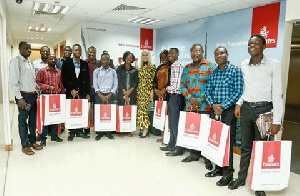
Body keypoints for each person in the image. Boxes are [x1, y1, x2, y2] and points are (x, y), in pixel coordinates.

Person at [228, 34, 283, 196]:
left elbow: (277, 93)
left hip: (264, 110)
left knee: (261, 149)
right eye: (250, 44)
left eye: (256, 43)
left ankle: (259, 184)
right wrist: (239, 102)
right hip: (247, 110)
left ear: (264, 46)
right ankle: (241, 177)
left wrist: (277, 120)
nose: (252, 46)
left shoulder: (274, 65)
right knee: (245, 147)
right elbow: (247, 89)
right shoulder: (244, 64)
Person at [205, 46, 244, 186]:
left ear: (227, 54)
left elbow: (238, 92)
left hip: (227, 111)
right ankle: (218, 169)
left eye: (221, 53)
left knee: (227, 142)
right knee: (216, 140)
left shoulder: (235, 71)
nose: (219, 56)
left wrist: (222, 106)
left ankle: (228, 173)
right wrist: (213, 105)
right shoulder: (213, 73)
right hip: (214, 110)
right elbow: (207, 91)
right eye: (216, 54)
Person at [180, 44, 215, 168]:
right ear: (190, 53)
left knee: (205, 132)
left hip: (205, 105)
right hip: (190, 105)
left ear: (202, 52)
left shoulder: (210, 66)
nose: (196, 53)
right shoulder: (187, 68)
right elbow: (182, 85)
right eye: (194, 51)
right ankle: (193, 154)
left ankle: (206, 158)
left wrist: (200, 99)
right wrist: (190, 97)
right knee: (193, 130)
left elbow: (213, 85)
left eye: (199, 51)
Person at [9, 41, 43, 155]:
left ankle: (32, 141)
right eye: (26, 48)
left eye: (30, 48)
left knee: (33, 121)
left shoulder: (29, 62)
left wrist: (36, 86)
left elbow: (31, 79)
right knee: (23, 121)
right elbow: (14, 82)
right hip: (24, 96)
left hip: (33, 95)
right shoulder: (16, 62)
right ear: (19, 49)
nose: (29, 50)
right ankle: (24, 145)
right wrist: (19, 98)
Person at [61, 44, 91, 141]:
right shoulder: (67, 63)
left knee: (80, 112)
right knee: (71, 112)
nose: (78, 51)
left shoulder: (84, 64)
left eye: (79, 50)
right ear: (72, 51)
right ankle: (71, 132)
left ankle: (79, 131)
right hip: (71, 92)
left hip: (82, 92)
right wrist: (71, 90)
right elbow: (63, 78)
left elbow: (87, 79)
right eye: (76, 50)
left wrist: (87, 93)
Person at [159, 48, 185, 156]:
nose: (170, 55)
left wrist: (166, 89)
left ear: (178, 54)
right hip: (172, 96)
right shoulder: (173, 66)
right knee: (171, 122)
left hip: (177, 96)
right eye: (169, 53)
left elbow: (178, 85)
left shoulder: (179, 66)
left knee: (175, 123)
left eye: (172, 53)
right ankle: (171, 144)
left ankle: (178, 148)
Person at [36, 54, 65, 146]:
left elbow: (61, 84)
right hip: (46, 96)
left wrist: (62, 94)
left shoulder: (59, 72)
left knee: (55, 116)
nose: (53, 60)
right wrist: (48, 87)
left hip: (56, 96)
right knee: (46, 117)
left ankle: (54, 135)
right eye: (51, 58)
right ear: (47, 60)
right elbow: (38, 82)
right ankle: (43, 138)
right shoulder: (42, 71)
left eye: (54, 59)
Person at [93, 53, 118, 140]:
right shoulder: (96, 71)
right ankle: (99, 133)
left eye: (106, 59)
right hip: (99, 95)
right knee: (99, 114)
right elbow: (95, 84)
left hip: (110, 95)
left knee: (109, 114)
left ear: (109, 60)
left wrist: (109, 95)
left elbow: (115, 84)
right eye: (103, 59)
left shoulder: (113, 71)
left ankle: (108, 132)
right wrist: (100, 95)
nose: (105, 61)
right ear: (101, 60)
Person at [116, 51, 139, 137]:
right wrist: (124, 91)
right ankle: (121, 130)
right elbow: (118, 81)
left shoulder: (134, 70)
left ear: (132, 59)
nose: (129, 59)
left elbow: (136, 82)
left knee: (130, 112)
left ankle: (129, 130)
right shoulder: (120, 69)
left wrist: (129, 91)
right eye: (127, 58)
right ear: (124, 58)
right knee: (121, 112)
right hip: (121, 93)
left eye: (131, 58)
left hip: (132, 94)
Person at [137, 50, 156, 138]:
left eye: (146, 55)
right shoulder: (139, 67)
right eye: (143, 55)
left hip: (147, 91)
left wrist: (151, 92)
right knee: (140, 111)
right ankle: (142, 128)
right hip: (140, 91)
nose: (145, 57)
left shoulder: (152, 67)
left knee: (145, 111)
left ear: (149, 56)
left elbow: (153, 82)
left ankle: (146, 130)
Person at [153, 50, 171, 143]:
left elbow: (171, 81)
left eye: (165, 57)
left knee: (167, 116)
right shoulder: (159, 67)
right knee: (160, 116)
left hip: (168, 95)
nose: (163, 59)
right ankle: (162, 136)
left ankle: (167, 137)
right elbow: (154, 80)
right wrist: (155, 89)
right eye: (162, 58)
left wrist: (165, 89)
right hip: (158, 95)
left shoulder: (171, 67)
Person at [85, 46, 99, 134]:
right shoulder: (84, 63)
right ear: (87, 52)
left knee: (97, 109)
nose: (92, 54)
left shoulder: (99, 63)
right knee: (87, 109)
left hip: (97, 89)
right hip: (88, 88)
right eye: (90, 52)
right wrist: (87, 92)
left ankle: (98, 127)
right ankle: (86, 129)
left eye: (93, 52)